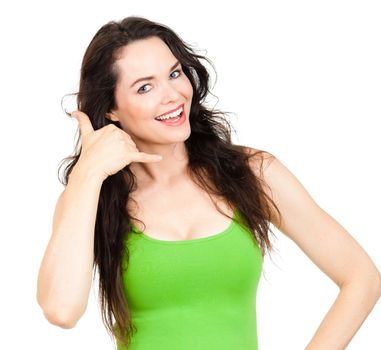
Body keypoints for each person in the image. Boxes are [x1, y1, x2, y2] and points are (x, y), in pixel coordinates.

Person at [36, 16, 381, 350]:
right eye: (145, 87)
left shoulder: (253, 173)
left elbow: (361, 278)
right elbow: (61, 310)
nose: (172, 94)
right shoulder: (89, 196)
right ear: (111, 109)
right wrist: (88, 172)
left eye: (174, 73)